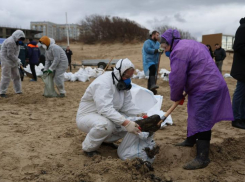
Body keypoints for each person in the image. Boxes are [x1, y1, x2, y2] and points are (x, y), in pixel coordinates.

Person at [160, 29, 233, 170]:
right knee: (194, 112)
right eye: (162, 48)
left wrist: (176, 96)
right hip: (208, 83)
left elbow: (177, 78)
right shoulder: (191, 43)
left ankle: (202, 157)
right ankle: (190, 140)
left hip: (206, 87)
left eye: (165, 47)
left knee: (202, 118)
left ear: (171, 42)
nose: (165, 51)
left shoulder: (178, 52)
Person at [76, 58, 144, 157]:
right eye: (126, 76)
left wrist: (142, 114)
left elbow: (127, 106)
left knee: (134, 124)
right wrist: (126, 122)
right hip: (88, 116)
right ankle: (88, 149)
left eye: (130, 76)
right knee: (105, 125)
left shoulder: (123, 85)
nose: (128, 79)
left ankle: (105, 141)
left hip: (106, 115)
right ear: (118, 73)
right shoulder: (103, 83)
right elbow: (104, 109)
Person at [0, 30, 26, 98]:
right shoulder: (10, 42)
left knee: (16, 76)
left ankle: (18, 91)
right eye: (20, 39)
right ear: (17, 37)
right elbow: (10, 54)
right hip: (6, 59)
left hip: (13, 60)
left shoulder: (17, 42)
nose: (21, 41)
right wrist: (17, 60)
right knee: (6, 76)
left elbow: (16, 53)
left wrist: (17, 60)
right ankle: (2, 92)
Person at [230, 17, 245, 129]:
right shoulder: (243, 28)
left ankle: (242, 117)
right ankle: (236, 118)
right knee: (240, 94)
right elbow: (237, 46)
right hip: (242, 68)